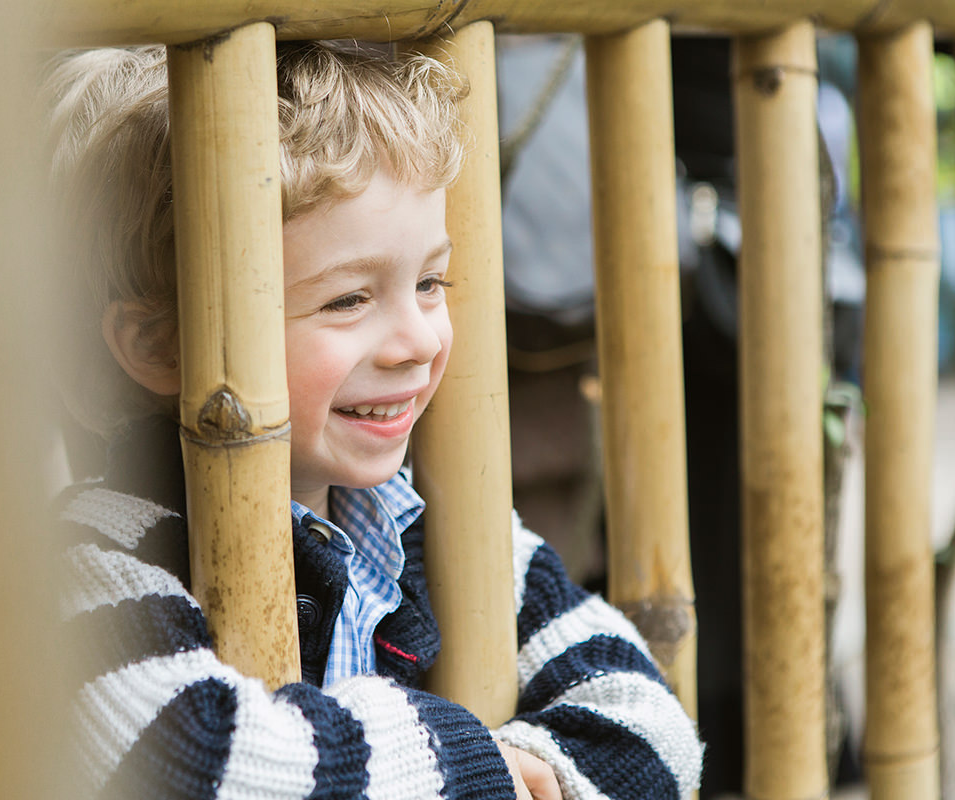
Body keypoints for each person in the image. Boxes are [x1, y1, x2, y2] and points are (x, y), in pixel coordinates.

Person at [43, 42, 702, 800]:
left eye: (430, 282)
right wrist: (488, 774)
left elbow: (651, 723)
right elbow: (208, 767)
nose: (419, 341)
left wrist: (539, 772)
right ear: (160, 344)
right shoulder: (96, 563)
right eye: (348, 300)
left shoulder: (438, 536)